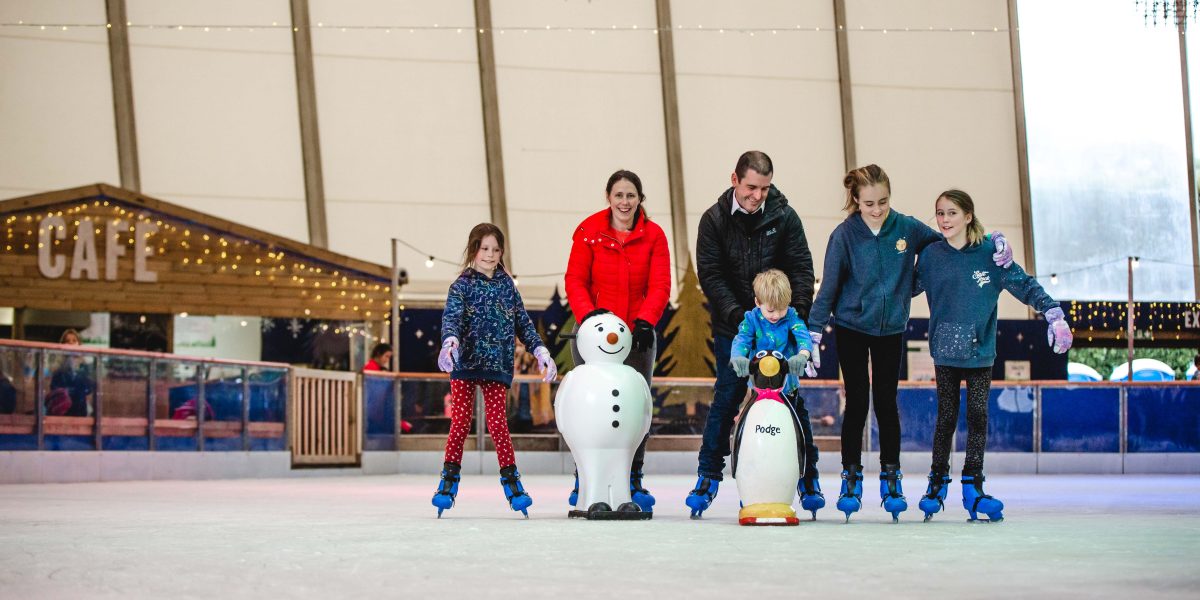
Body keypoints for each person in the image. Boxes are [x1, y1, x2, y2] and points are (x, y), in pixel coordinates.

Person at [806, 164, 1015, 522]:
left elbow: (948, 240)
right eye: (869, 203)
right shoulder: (844, 236)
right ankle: (851, 478)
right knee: (856, 401)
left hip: (890, 329)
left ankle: (891, 478)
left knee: (887, 402)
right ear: (856, 199)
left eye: (883, 202)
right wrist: (812, 333)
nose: (877, 210)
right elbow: (828, 290)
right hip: (852, 327)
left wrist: (992, 241)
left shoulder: (906, 228)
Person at [913, 189, 1070, 522]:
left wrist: (1053, 312)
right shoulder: (930, 256)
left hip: (980, 353)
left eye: (952, 213)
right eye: (940, 213)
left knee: (979, 416)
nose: (944, 220)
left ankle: (973, 486)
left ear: (968, 216)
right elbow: (902, 286)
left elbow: (1023, 284)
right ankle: (937, 482)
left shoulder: (990, 255)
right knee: (945, 417)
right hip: (944, 351)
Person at [689, 150, 814, 518]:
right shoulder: (713, 221)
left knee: (792, 400)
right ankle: (708, 475)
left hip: (779, 326)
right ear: (734, 180)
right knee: (727, 395)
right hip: (737, 328)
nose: (757, 195)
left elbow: (801, 267)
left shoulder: (784, 217)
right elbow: (710, 275)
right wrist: (739, 315)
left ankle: (808, 478)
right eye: (750, 187)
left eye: (764, 187)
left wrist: (797, 318)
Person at [564, 169, 671, 512]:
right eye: (619, 195)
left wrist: (645, 321)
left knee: (634, 410)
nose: (625, 202)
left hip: (636, 336)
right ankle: (585, 477)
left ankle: (633, 478)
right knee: (589, 410)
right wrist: (589, 317)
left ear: (640, 199)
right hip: (595, 336)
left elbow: (660, 285)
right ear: (608, 197)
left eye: (631, 196)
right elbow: (575, 280)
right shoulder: (588, 232)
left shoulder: (654, 236)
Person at [432, 223, 557, 517]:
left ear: (502, 252)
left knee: (498, 424)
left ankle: (513, 485)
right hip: (465, 363)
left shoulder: (506, 287)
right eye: (484, 248)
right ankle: (448, 483)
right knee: (461, 423)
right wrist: (449, 341)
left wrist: (540, 350)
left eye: (495, 249)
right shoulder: (461, 285)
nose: (489, 255)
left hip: (497, 365)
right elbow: (452, 318)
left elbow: (523, 323)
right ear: (473, 249)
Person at [726, 269, 822, 518]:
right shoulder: (752, 319)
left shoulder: (791, 317)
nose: (776, 315)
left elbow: (803, 338)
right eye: (771, 310)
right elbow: (742, 339)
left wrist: (802, 355)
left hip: (788, 393)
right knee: (744, 437)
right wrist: (738, 357)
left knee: (804, 437)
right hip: (757, 395)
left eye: (781, 309)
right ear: (758, 303)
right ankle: (749, 487)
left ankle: (809, 482)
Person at [48, 329, 92, 417]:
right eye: (67, 341)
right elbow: (54, 387)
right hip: (62, 411)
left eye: (74, 340)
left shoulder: (85, 366)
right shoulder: (57, 367)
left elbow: (89, 388)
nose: (71, 343)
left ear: (79, 344)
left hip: (80, 410)